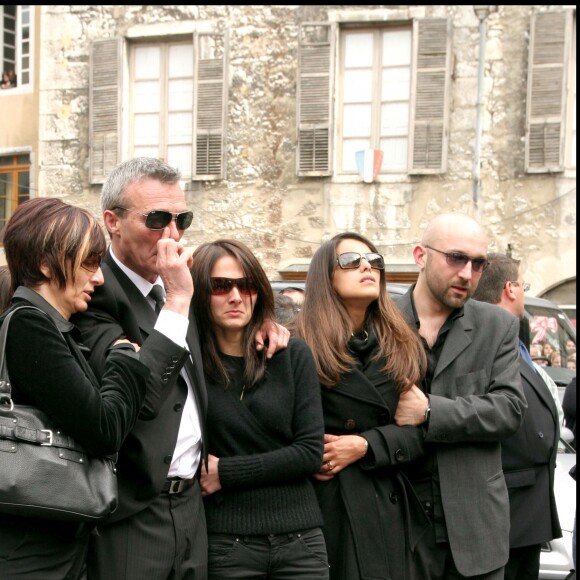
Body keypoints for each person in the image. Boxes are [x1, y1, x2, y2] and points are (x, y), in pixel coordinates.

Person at [72, 157, 289, 580]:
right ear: (112, 222)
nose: (172, 234)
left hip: (192, 504)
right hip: (130, 508)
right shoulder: (95, 289)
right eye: (156, 219)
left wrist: (263, 324)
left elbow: (228, 319)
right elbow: (140, 395)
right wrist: (176, 301)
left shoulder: (175, 288)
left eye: (181, 219)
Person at [0, 197, 151, 579]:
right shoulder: (29, 327)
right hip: (32, 554)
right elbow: (103, 429)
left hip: (47, 544)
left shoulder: (48, 327)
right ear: (45, 263)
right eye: (88, 263)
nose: (98, 278)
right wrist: (125, 360)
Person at [393, 212, 527, 579]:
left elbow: (510, 408)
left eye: (478, 263)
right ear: (420, 255)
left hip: (475, 535)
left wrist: (431, 410)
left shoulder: (497, 325)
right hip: (398, 529)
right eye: (456, 258)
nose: (467, 274)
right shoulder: (381, 321)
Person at [293, 232, 431, 580]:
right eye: (351, 261)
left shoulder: (402, 344)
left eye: (374, 261)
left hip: (387, 505)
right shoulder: (296, 342)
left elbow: (418, 436)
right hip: (326, 505)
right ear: (327, 276)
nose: (367, 266)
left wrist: (366, 445)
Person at [191, 239, 329, 579]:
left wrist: (226, 473)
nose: (236, 296)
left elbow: (310, 453)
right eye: (220, 286)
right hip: (228, 543)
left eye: (247, 285)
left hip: (302, 541)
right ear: (200, 293)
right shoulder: (190, 364)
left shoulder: (291, 356)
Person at [472, 252, 562, 580]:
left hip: (527, 508)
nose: (524, 292)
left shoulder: (512, 335)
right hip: (506, 507)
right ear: (511, 289)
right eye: (524, 285)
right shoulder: (484, 337)